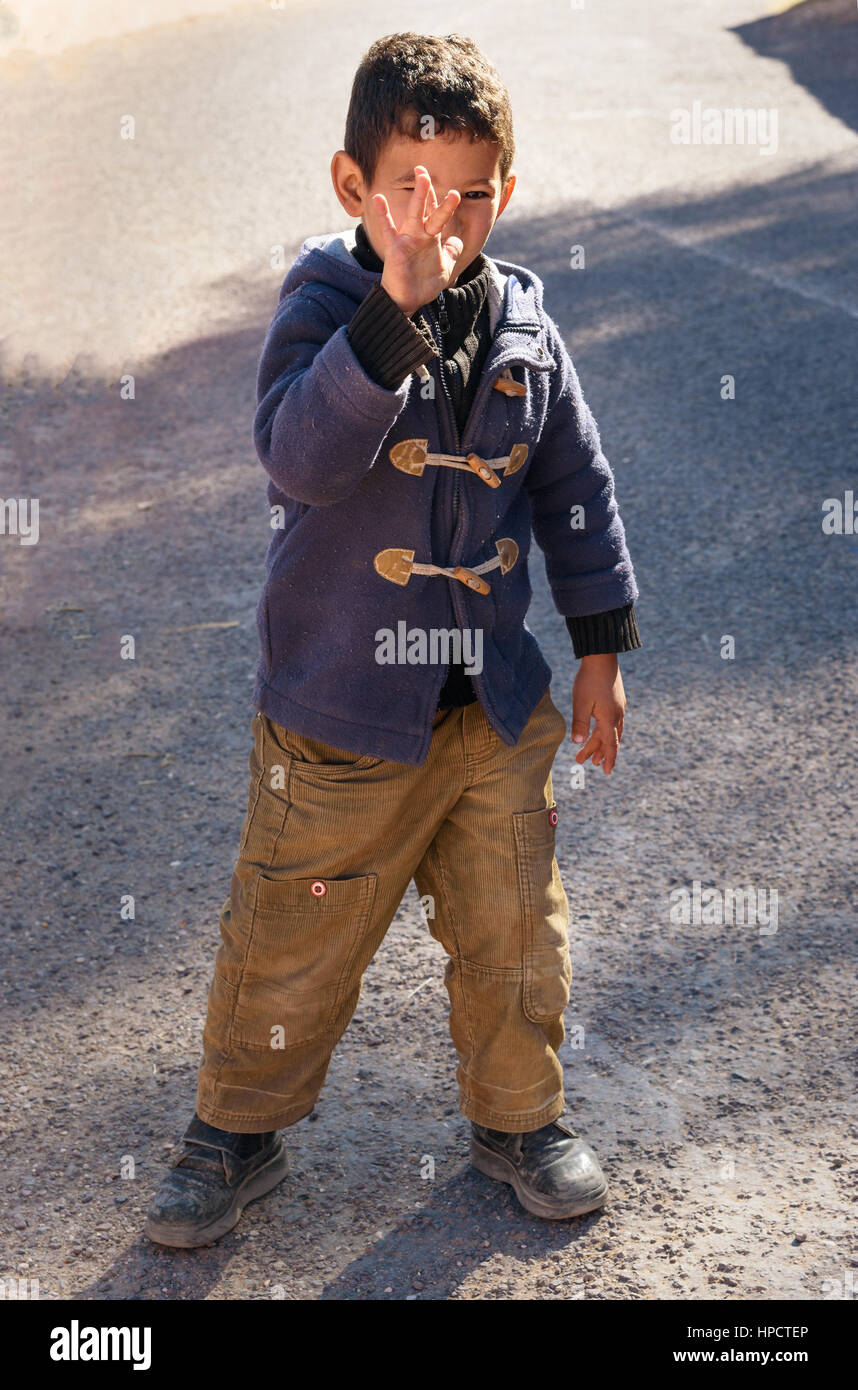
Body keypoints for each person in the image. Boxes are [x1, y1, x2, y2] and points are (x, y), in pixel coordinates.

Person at [145, 31, 641, 1248]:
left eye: (472, 191)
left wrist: (599, 649)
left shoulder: (527, 319)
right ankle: (234, 1132)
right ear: (353, 188)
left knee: (516, 928)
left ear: (505, 192)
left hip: (492, 714)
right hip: (339, 719)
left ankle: (518, 1116)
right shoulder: (324, 304)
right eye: (412, 190)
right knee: (289, 941)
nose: (444, 218)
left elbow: (578, 486)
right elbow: (300, 457)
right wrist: (390, 318)